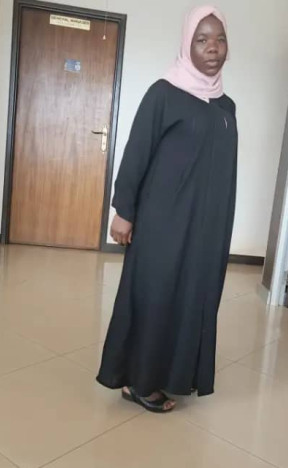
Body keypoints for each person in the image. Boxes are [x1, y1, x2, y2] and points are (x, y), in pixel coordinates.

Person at [96, 5, 237, 413]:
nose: (213, 48)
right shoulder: (164, 93)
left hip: (205, 228)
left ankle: (173, 375)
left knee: (191, 297)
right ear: (187, 44)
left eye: (220, 39)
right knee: (155, 296)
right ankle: (139, 381)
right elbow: (137, 152)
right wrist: (124, 210)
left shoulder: (225, 106)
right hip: (163, 223)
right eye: (202, 39)